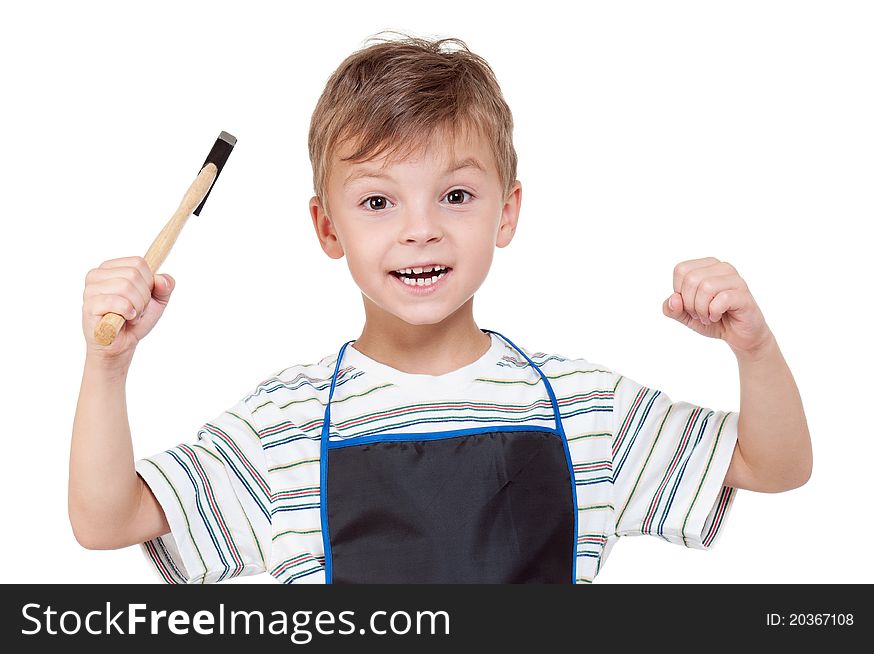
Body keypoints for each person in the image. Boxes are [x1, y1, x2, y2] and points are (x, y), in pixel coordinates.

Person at [70, 33, 812, 584]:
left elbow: (773, 465)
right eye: (377, 201)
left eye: (455, 195)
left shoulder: (585, 406)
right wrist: (108, 367)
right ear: (328, 228)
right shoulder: (281, 424)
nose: (419, 227)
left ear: (507, 212)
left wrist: (755, 349)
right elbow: (106, 521)